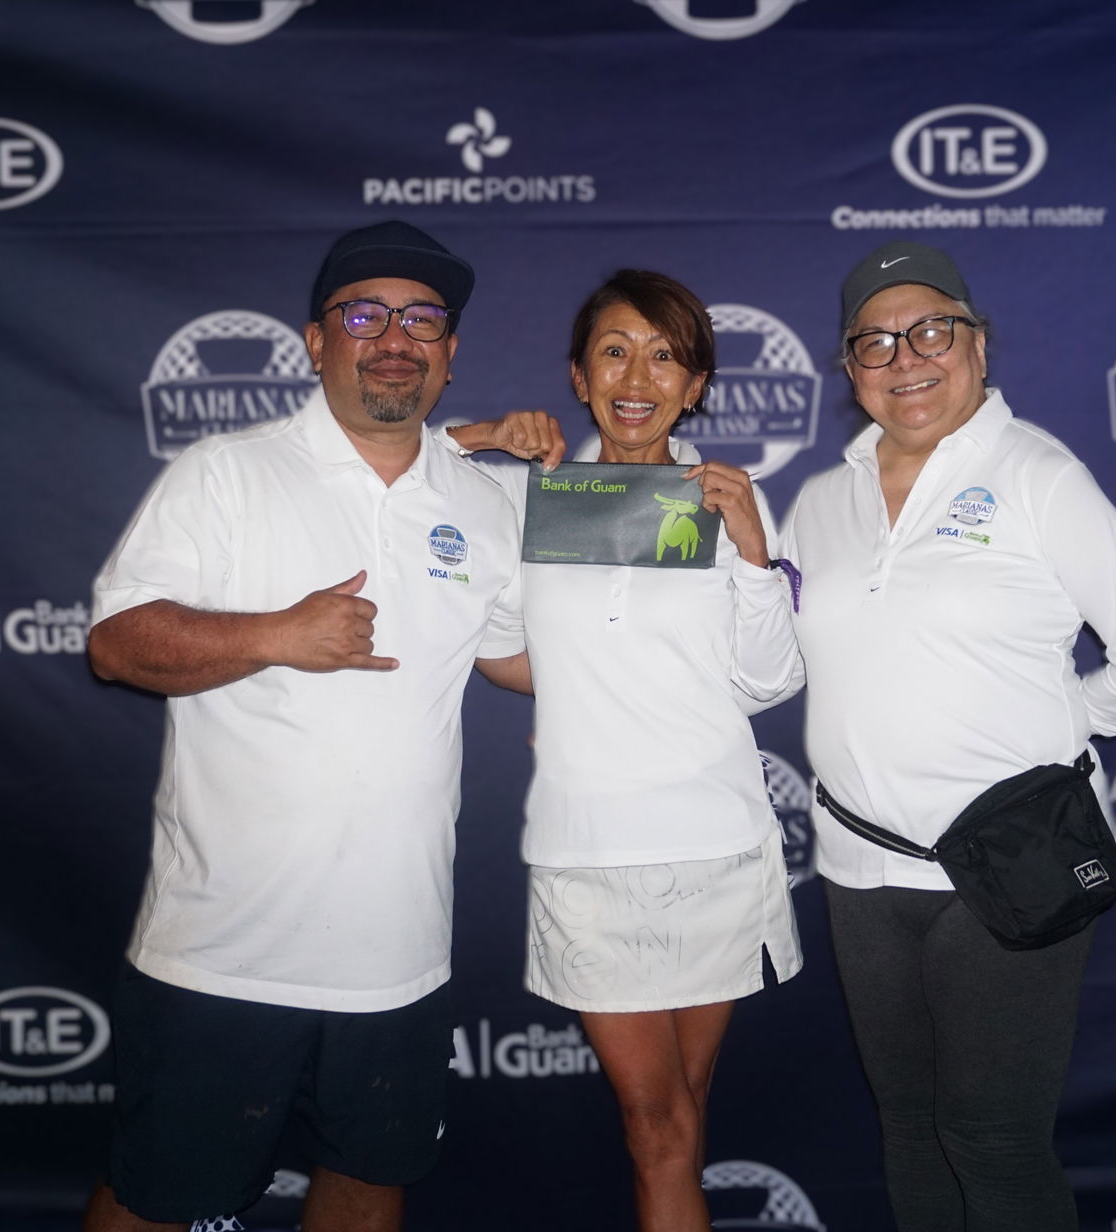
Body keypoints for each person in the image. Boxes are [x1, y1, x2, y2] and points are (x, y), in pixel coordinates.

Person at [81, 221, 552, 1232]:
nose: (396, 337)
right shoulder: (226, 471)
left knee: (368, 1185)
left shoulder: (482, 500)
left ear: (450, 351)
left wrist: (654, 669)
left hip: (398, 951)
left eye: (422, 318)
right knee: (155, 1199)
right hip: (223, 948)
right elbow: (116, 644)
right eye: (365, 314)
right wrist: (274, 633)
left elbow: (512, 657)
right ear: (315, 340)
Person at [779, 241, 1116, 1232]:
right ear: (850, 369)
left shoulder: (1035, 473)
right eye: (876, 341)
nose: (906, 358)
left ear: (978, 344)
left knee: (994, 1141)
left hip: (1009, 862)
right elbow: (782, 660)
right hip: (860, 868)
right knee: (910, 1129)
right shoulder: (822, 499)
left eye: (931, 330)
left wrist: (1061, 719)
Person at [448, 270, 804, 1232]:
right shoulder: (535, 497)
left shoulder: (727, 500)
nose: (637, 377)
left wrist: (756, 554)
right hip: (588, 853)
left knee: (681, 1119)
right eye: (614, 352)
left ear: (695, 386)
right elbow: (503, 646)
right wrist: (484, 435)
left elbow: (769, 681)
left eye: (664, 356)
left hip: (715, 848)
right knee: (655, 1124)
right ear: (579, 375)